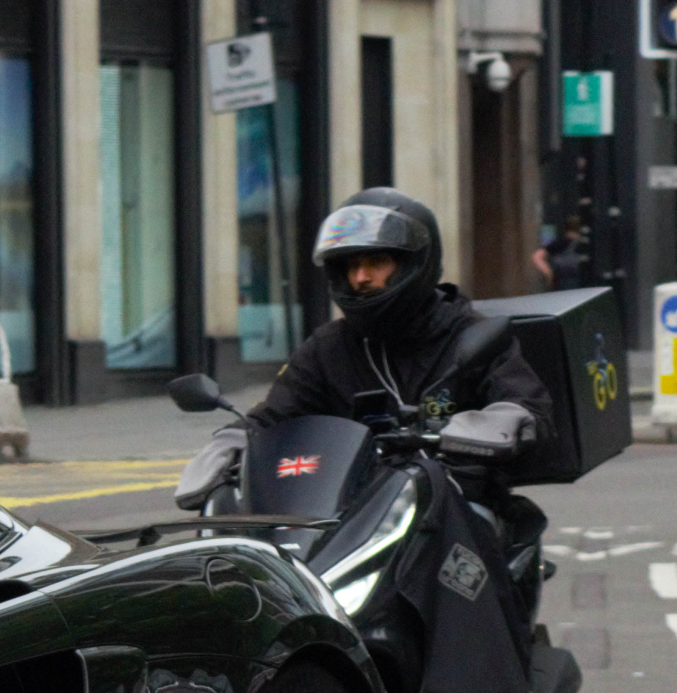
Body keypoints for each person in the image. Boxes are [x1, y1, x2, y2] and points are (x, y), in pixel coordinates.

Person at [178, 188, 551, 506]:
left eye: (377, 261)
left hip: (460, 498)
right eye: (351, 265)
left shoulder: (468, 333)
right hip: (356, 502)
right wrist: (231, 441)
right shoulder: (329, 347)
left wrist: (493, 424)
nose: (361, 277)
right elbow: (276, 416)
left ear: (415, 263)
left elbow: (526, 405)